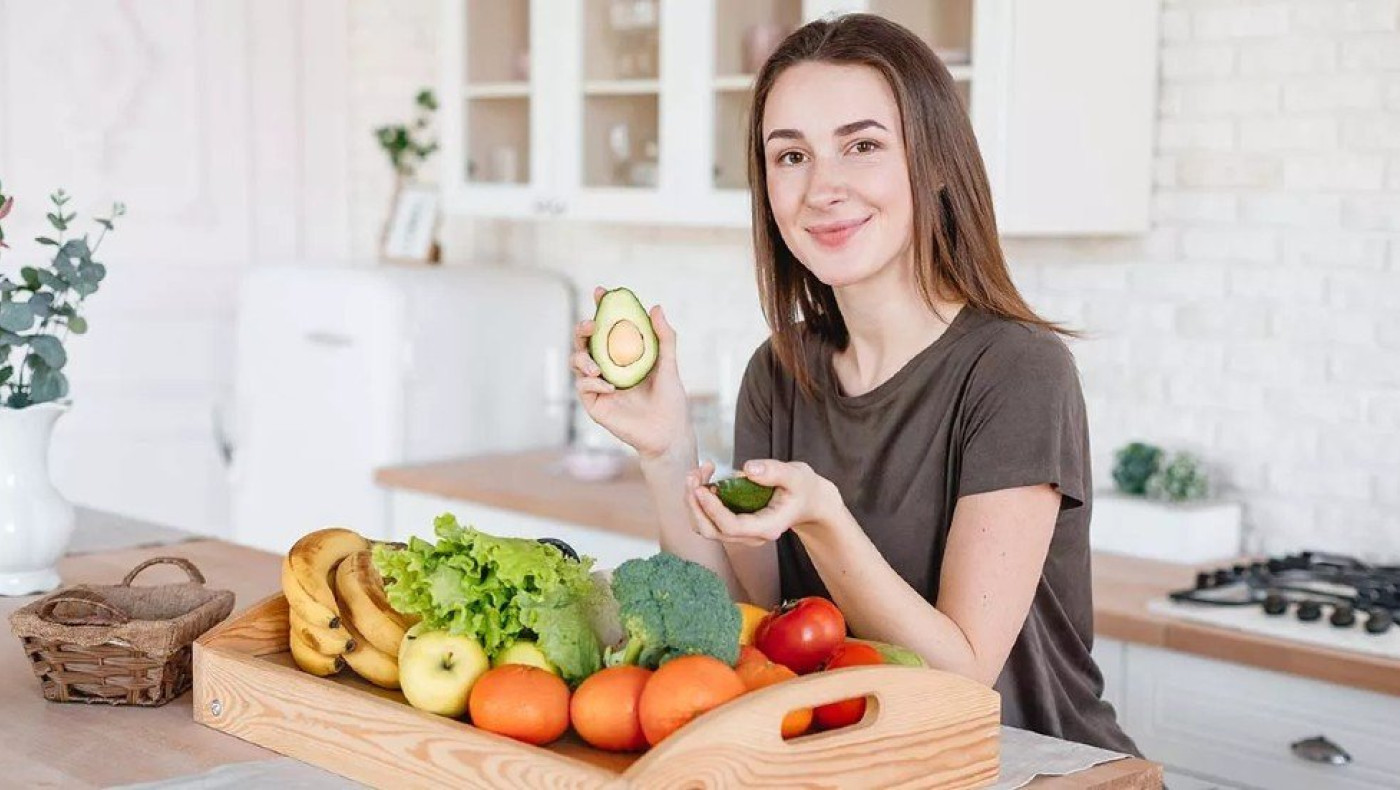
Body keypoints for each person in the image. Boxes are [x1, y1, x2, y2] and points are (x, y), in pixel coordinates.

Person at [570, 14, 1138, 755]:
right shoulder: (780, 370)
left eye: (862, 146)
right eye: (791, 156)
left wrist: (825, 522)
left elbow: (960, 680)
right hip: (862, 767)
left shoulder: (1016, 369)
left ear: (933, 163)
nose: (822, 188)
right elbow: (747, 628)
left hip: (1032, 767)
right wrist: (666, 448)